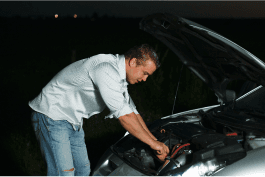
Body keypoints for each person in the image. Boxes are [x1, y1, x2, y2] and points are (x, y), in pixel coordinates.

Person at [29, 44, 170, 177]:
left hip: (73, 121)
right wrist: (154, 144)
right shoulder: (106, 69)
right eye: (145, 73)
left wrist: (156, 143)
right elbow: (125, 117)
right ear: (133, 62)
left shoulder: (119, 78)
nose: (145, 79)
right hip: (52, 115)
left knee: (82, 170)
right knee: (64, 173)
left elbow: (133, 113)